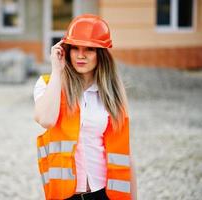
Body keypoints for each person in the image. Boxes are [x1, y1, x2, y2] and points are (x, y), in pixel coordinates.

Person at [33, 14, 137, 200]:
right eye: (75, 48)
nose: (81, 55)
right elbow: (46, 120)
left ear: (100, 54)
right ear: (66, 50)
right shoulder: (48, 84)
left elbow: (125, 153)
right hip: (65, 195)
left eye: (89, 49)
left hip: (106, 193)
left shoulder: (113, 92)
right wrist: (57, 70)